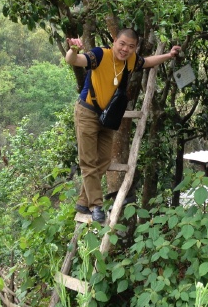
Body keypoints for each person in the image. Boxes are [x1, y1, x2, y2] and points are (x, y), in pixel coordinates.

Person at [66, 29, 181, 223]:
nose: (125, 49)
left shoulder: (131, 60)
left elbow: (146, 62)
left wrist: (169, 55)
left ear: (135, 47)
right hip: (87, 112)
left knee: (102, 160)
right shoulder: (101, 54)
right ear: (114, 41)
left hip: (108, 116)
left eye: (131, 46)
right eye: (122, 44)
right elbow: (74, 61)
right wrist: (73, 50)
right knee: (88, 161)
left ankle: (83, 201)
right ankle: (96, 206)